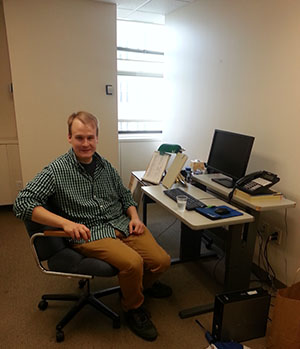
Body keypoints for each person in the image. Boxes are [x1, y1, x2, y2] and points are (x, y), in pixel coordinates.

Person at [13, 111, 171, 341]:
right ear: (69, 138)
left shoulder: (105, 166)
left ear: (97, 137)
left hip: (121, 223)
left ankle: (136, 288)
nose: (85, 144)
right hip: (90, 234)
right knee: (133, 263)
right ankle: (133, 307)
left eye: (90, 137)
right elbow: (22, 203)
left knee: (162, 262)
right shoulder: (56, 171)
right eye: (79, 138)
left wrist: (135, 217)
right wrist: (66, 224)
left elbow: (125, 197)